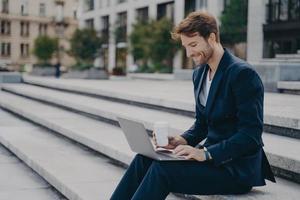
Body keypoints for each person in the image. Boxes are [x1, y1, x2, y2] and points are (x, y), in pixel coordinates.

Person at [110, 11, 275, 200]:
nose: (189, 53)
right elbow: (202, 124)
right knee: (144, 158)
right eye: (185, 47)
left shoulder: (242, 74)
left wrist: (205, 153)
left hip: (235, 170)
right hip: (211, 162)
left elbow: (250, 136)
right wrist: (181, 140)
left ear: (211, 38)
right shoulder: (199, 74)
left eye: (193, 45)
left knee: (162, 170)